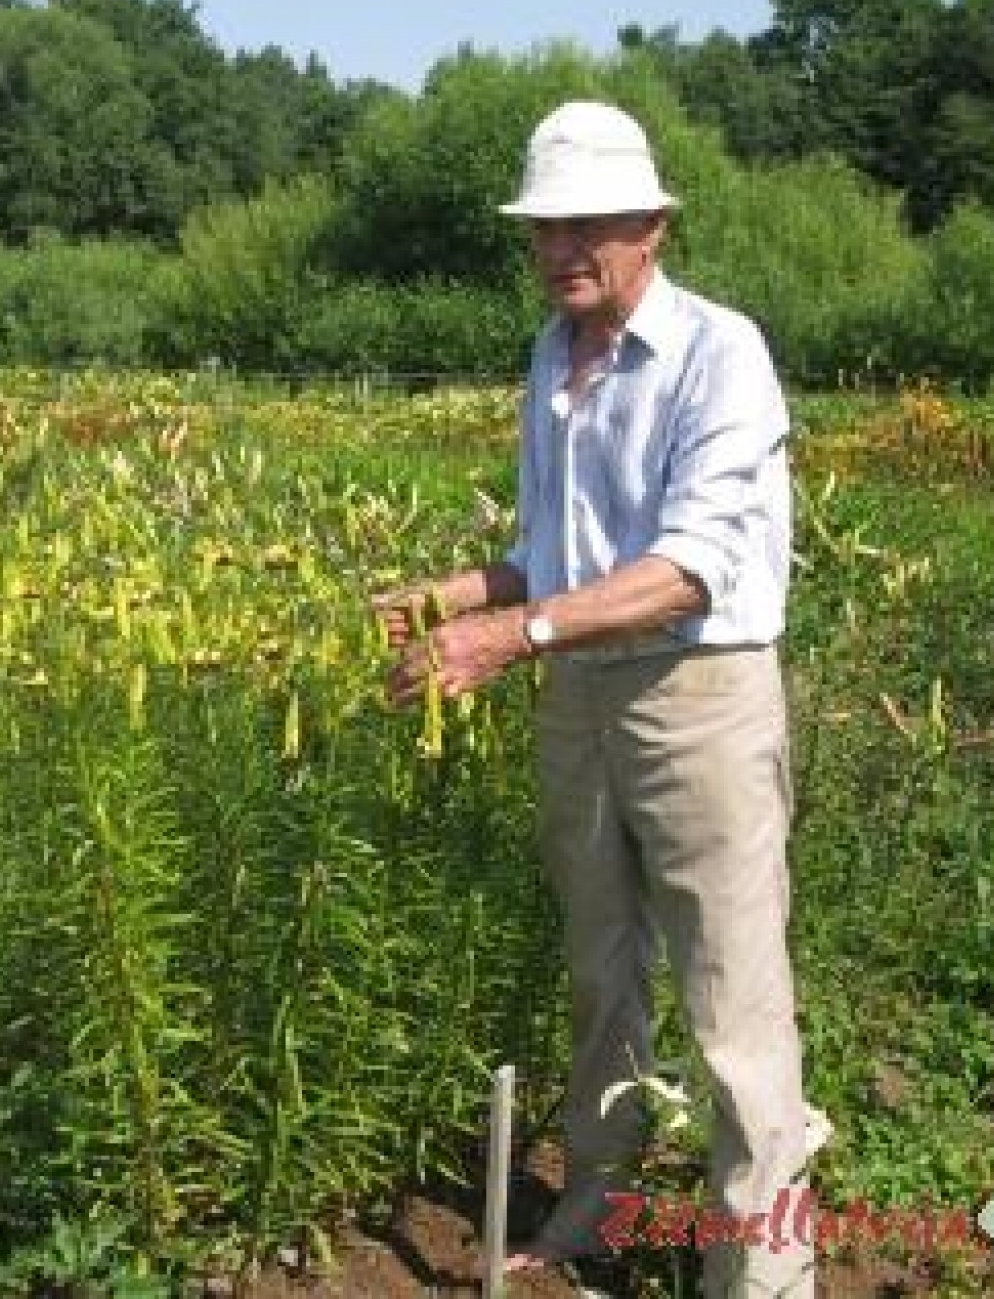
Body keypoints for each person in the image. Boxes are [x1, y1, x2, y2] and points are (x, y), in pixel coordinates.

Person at [374, 102, 821, 1296]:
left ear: (655, 226)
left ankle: (759, 1275)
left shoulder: (719, 353)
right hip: (576, 691)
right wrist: (450, 595)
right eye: (543, 228)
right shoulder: (548, 358)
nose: (563, 248)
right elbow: (559, 560)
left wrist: (506, 634)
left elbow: (683, 573)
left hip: (696, 699)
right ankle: (596, 1208)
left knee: (730, 999)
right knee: (598, 970)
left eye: (591, 224)